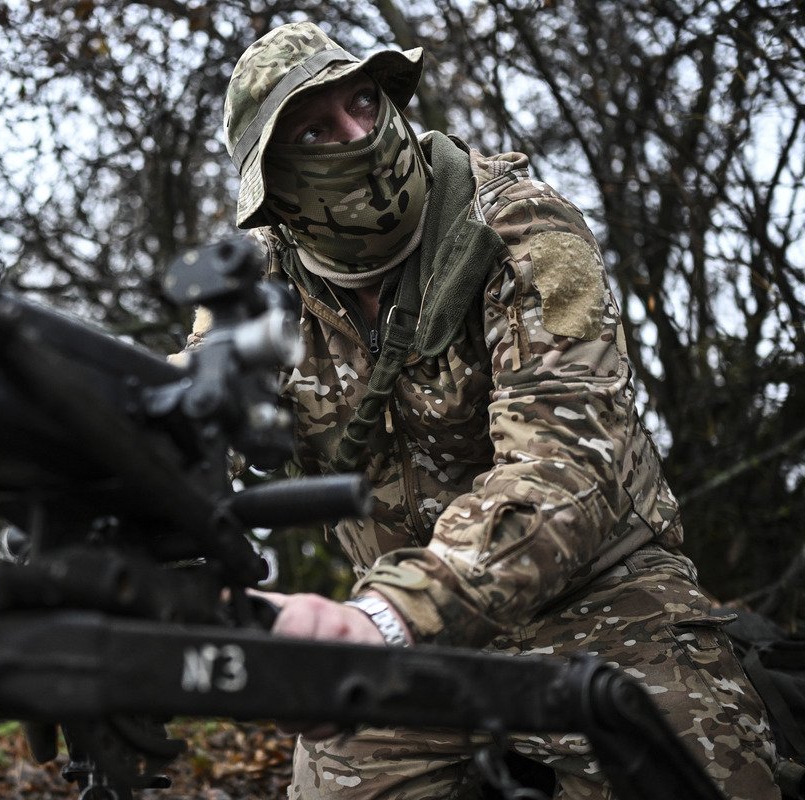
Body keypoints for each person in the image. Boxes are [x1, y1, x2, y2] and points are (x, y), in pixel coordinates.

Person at [194, 20, 781, 799]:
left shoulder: (519, 227)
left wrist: (382, 619)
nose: (361, 133)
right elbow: (183, 429)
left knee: (705, 777)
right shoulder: (255, 289)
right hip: (400, 644)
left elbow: (565, 469)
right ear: (277, 183)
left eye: (366, 101)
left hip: (601, 604)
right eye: (316, 127)